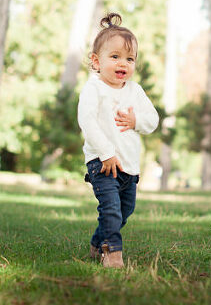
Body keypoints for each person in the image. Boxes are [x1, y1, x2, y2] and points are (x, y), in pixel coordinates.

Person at [78, 13, 159, 269]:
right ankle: (112, 254)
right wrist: (106, 153)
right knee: (111, 210)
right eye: (114, 57)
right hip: (102, 163)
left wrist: (136, 121)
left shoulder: (135, 91)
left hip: (129, 167)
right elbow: (87, 122)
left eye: (129, 58)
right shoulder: (94, 89)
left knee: (124, 212)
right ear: (96, 61)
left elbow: (153, 120)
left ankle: (96, 243)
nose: (122, 63)